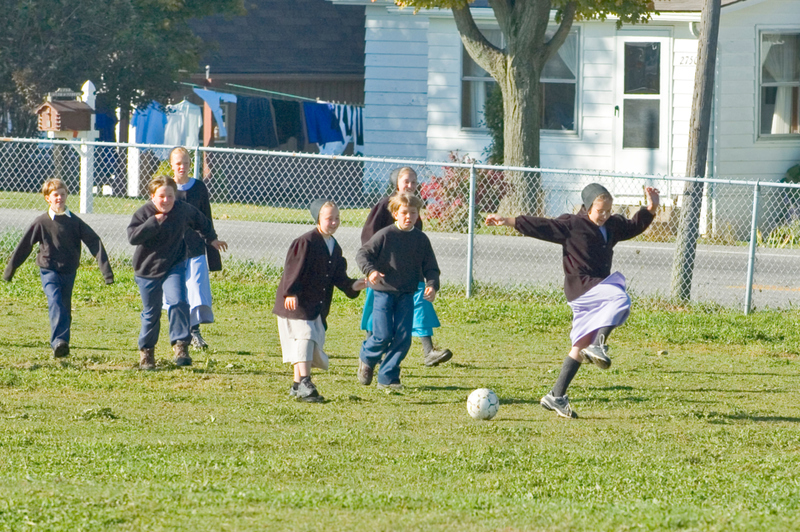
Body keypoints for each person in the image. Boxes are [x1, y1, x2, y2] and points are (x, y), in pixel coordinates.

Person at [486, 183, 660, 419]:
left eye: (609, 210)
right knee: (620, 298)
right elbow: (543, 226)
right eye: (600, 210)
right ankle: (598, 343)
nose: (605, 215)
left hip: (595, 288)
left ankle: (556, 395)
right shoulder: (572, 225)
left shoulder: (611, 225)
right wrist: (508, 220)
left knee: (579, 345)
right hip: (581, 286)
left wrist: (650, 209)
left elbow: (632, 226)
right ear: (588, 207)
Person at [3, 178, 114, 358]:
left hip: (69, 270)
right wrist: (10, 269)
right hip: (49, 269)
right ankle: (58, 342)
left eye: (62, 194)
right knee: (55, 301)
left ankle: (63, 343)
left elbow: (94, 242)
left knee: (64, 305)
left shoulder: (75, 222)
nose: (59, 198)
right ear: (47, 198)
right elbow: (25, 245)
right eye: (55, 195)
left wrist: (106, 272)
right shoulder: (41, 222)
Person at [127, 175, 227, 370]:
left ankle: (181, 346)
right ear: (153, 196)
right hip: (147, 270)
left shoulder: (182, 210)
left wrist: (212, 239)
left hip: (174, 265)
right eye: (161, 196)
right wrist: (153, 222)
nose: (166, 201)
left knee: (179, 301)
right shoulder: (145, 213)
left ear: (176, 196)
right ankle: (147, 353)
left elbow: (202, 221)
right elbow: (133, 237)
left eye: (170, 196)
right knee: (151, 311)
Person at [273, 199, 367, 402]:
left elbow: (337, 277)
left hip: (315, 306)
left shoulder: (334, 246)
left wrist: (353, 285)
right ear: (318, 219)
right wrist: (290, 293)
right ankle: (306, 382)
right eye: (329, 218)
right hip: (297, 303)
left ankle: (297, 385)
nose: (333, 222)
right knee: (304, 338)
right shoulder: (305, 242)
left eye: (337, 218)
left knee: (309, 342)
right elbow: (292, 270)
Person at [360, 166, 452, 367]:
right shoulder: (386, 205)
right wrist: (374, 268)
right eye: (406, 181)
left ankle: (428, 352)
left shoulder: (414, 206)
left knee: (420, 305)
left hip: (409, 274)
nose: (410, 185)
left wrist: (429, 279)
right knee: (376, 313)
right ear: (397, 184)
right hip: (383, 275)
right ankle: (369, 354)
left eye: (413, 182)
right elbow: (368, 239)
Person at [356, 193, 440, 391]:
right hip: (383, 292)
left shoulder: (421, 239)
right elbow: (363, 254)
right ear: (395, 214)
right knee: (382, 335)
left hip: (406, 294)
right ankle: (367, 358)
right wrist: (371, 271)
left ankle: (388, 377)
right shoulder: (385, 235)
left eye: (413, 212)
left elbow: (431, 266)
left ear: (418, 214)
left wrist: (432, 284)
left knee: (403, 338)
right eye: (404, 212)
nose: (408, 216)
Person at [166, 147, 222, 350]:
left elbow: (206, 217)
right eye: (178, 163)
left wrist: (212, 241)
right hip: (173, 250)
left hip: (195, 248)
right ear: (171, 164)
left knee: (196, 291)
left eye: (186, 163)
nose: (182, 167)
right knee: (177, 293)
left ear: (191, 164)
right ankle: (179, 334)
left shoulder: (198, 187)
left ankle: (194, 331)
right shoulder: (166, 187)